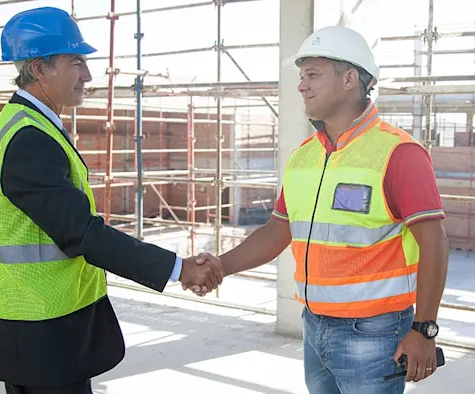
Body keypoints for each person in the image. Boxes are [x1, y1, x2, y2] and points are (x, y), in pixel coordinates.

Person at [0, 7, 223, 394]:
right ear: (38, 69)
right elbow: (81, 233)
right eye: (76, 62)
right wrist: (178, 268)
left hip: (33, 316)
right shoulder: (29, 139)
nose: (87, 75)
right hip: (41, 324)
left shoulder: (28, 125)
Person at [186, 26, 450, 393]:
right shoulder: (303, 157)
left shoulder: (399, 154)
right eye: (301, 76)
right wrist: (220, 267)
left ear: (350, 78)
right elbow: (278, 229)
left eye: (312, 74)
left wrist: (424, 329)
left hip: (375, 332)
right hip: (314, 325)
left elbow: (434, 242)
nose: (301, 86)